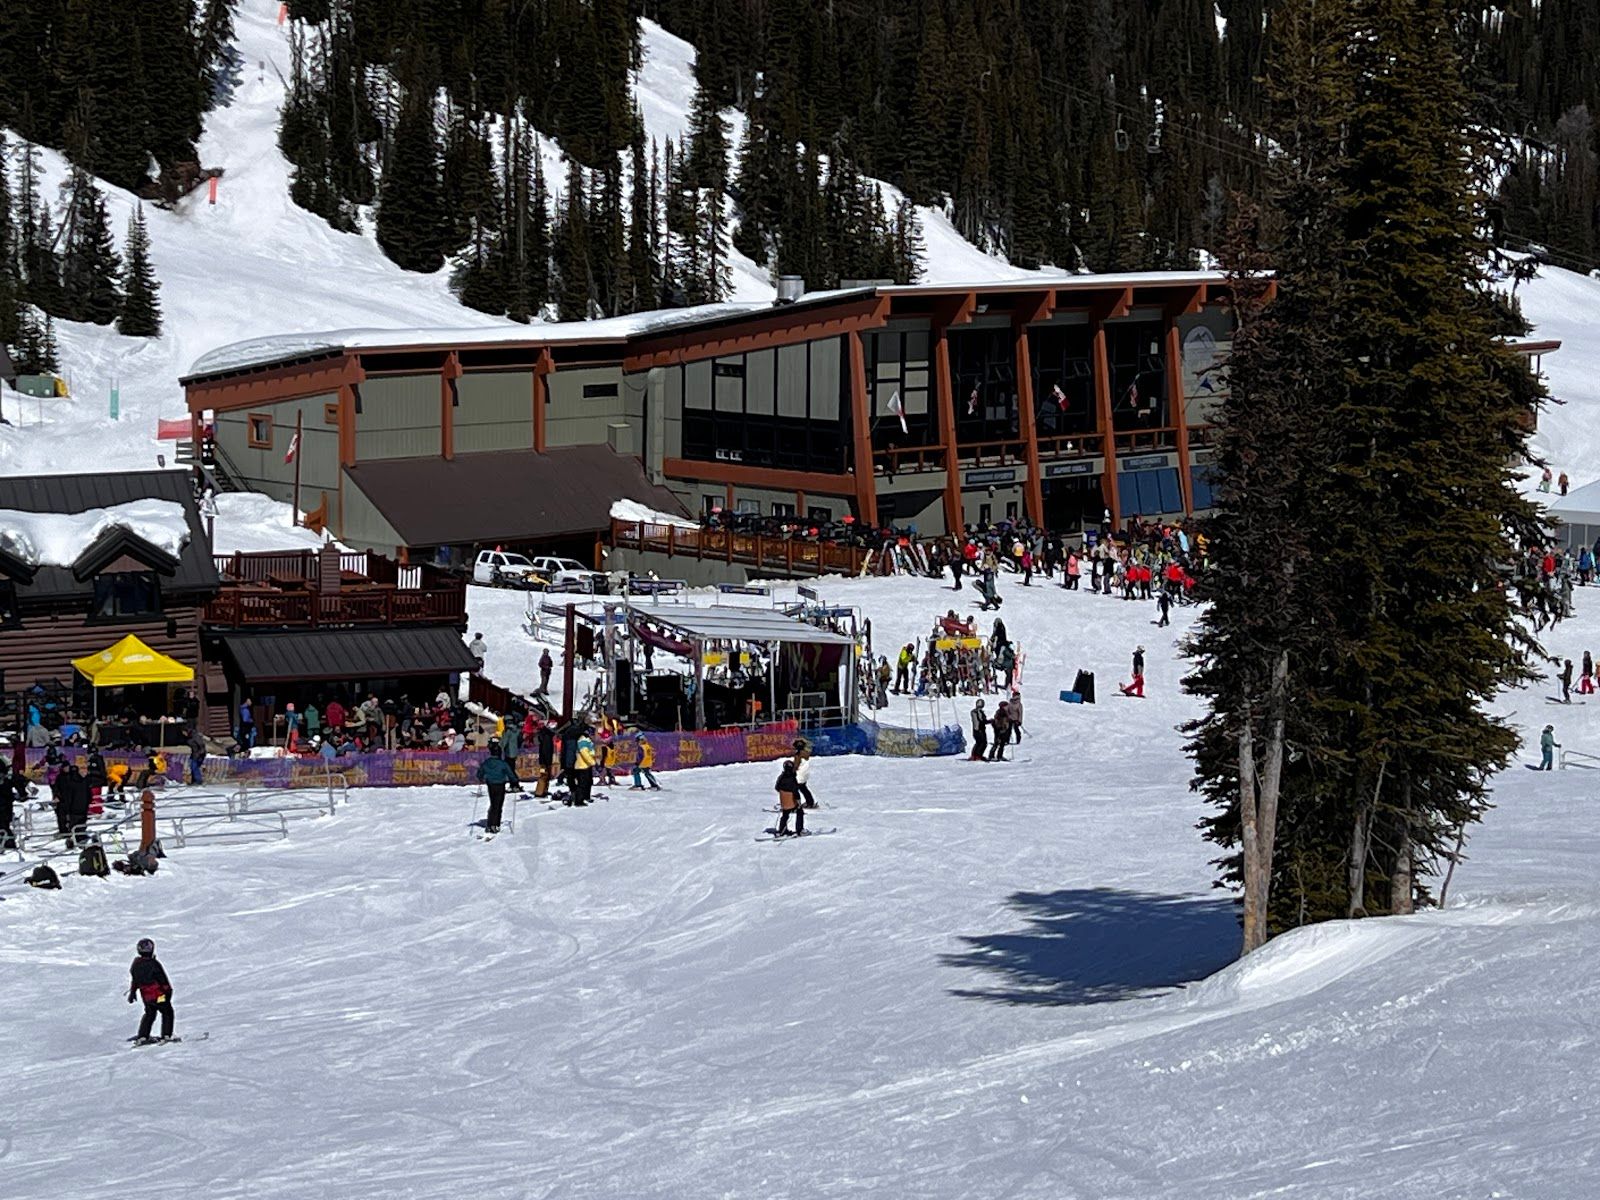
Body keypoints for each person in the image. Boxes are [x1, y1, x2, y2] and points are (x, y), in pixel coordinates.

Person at [127, 938, 175, 1044]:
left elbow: (135, 980)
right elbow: (162, 978)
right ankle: (166, 1035)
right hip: (159, 995)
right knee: (167, 1012)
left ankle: (143, 1035)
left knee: (150, 1014)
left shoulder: (136, 964)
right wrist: (168, 991)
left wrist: (133, 992)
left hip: (147, 997)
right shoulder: (153, 963)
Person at [475, 746, 518, 834]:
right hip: (500, 785)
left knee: (493, 803)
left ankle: (490, 823)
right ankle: (495, 824)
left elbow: (480, 773)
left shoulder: (487, 762)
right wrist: (514, 781)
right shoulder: (502, 763)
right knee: (498, 805)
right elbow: (510, 773)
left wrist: (481, 777)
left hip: (491, 785)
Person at [775, 757, 805, 837]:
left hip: (784, 802)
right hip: (791, 802)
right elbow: (795, 791)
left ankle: (782, 829)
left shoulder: (781, 777)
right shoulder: (792, 778)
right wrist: (798, 801)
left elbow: (777, 788)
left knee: (785, 814)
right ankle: (800, 830)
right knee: (800, 811)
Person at [571, 727, 597, 805]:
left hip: (586, 765)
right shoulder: (582, 740)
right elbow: (584, 753)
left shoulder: (587, 740)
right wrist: (592, 762)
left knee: (588, 782)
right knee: (582, 783)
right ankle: (579, 800)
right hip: (582, 765)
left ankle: (586, 797)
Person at [793, 739, 817, 808]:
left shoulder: (798, 755)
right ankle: (810, 802)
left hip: (799, 774)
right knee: (803, 788)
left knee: (795, 789)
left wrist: (792, 771)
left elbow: (796, 765)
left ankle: (795, 803)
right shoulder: (806, 753)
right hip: (805, 773)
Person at [536, 719, 557, 797]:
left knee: (547, 776)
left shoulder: (546, 735)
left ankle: (544, 790)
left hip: (545, 760)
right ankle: (539, 792)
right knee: (543, 775)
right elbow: (546, 750)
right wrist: (546, 761)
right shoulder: (546, 736)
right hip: (545, 761)